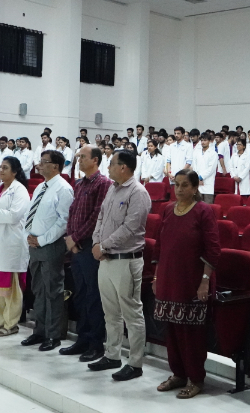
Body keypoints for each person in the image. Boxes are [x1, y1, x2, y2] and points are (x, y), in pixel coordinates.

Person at [153, 170, 221, 398]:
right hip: (168, 279)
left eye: (185, 185)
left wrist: (205, 281)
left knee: (191, 334)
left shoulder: (203, 211)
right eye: (177, 185)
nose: (180, 189)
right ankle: (178, 374)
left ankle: (196, 378)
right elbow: (160, 246)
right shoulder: (167, 209)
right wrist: (156, 277)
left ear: (194, 188)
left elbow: (213, 249)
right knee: (171, 331)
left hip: (192, 280)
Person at [89, 150, 151, 381]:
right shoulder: (112, 189)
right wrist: (96, 242)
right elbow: (101, 217)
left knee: (132, 314)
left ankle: (135, 363)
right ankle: (112, 355)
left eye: (112, 164)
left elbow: (130, 228)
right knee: (111, 312)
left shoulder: (138, 192)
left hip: (126, 260)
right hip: (106, 259)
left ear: (123, 167)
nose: (108, 168)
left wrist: (103, 245)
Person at [60, 146, 112, 361]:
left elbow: (97, 216)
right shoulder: (79, 183)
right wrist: (70, 238)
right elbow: (72, 213)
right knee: (80, 294)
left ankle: (95, 343)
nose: (79, 160)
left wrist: (76, 238)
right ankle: (82, 339)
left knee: (93, 296)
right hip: (76, 246)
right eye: (78, 156)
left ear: (95, 160)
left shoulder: (103, 183)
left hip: (90, 245)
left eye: (83, 157)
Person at [20, 150, 74, 351]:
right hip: (34, 244)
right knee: (38, 289)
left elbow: (63, 221)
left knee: (53, 291)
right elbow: (31, 214)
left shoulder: (63, 189)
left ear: (56, 166)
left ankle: (53, 334)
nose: (39, 165)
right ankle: (39, 331)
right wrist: (28, 235)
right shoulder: (41, 186)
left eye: (44, 162)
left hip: (51, 245)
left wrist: (41, 240)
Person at [0, 156, 30, 336]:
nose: (1, 170)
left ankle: (10, 323)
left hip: (9, 242)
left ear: (15, 172)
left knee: (11, 285)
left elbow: (14, 215)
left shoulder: (20, 190)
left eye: (5, 168)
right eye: (0, 167)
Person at [191, 132, 218, 203]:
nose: (203, 142)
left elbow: (211, 169)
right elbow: (194, 166)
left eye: (205, 140)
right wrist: (197, 178)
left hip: (208, 183)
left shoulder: (213, 154)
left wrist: (200, 177)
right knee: (197, 205)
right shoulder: (196, 153)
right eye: (202, 140)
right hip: (198, 183)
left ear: (209, 141)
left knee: (207, 206)